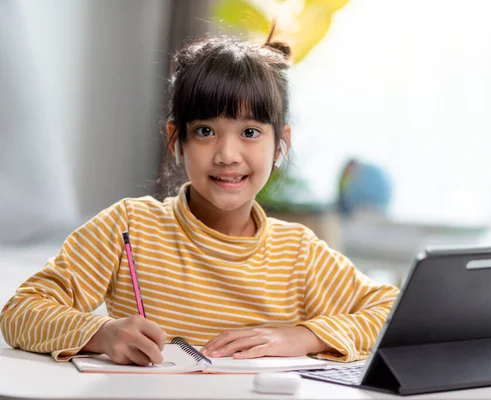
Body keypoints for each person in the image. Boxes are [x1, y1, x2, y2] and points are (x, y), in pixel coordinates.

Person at [0, 33, 399, 366]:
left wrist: (303, 336)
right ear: (177, 140)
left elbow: (392, 314)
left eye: (250, 132)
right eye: (206, 131)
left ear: (281, 144)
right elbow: (19, 313)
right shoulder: (127, 226)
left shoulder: (299, 253)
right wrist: (101, 333)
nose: (227, 154)